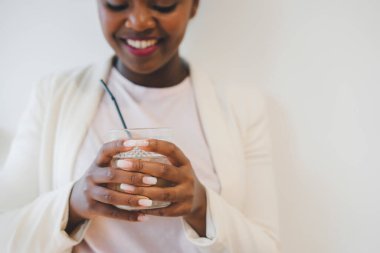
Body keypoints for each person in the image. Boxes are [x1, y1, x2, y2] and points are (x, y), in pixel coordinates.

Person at [0, 0, 279, 252]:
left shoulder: (243, 107)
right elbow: (5, 231)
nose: (138, 21)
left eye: (162, 3)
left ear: (194, 5)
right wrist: (73, 203)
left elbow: (267, 247)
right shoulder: (54, 95)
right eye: (118, 3)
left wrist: (201, 206)